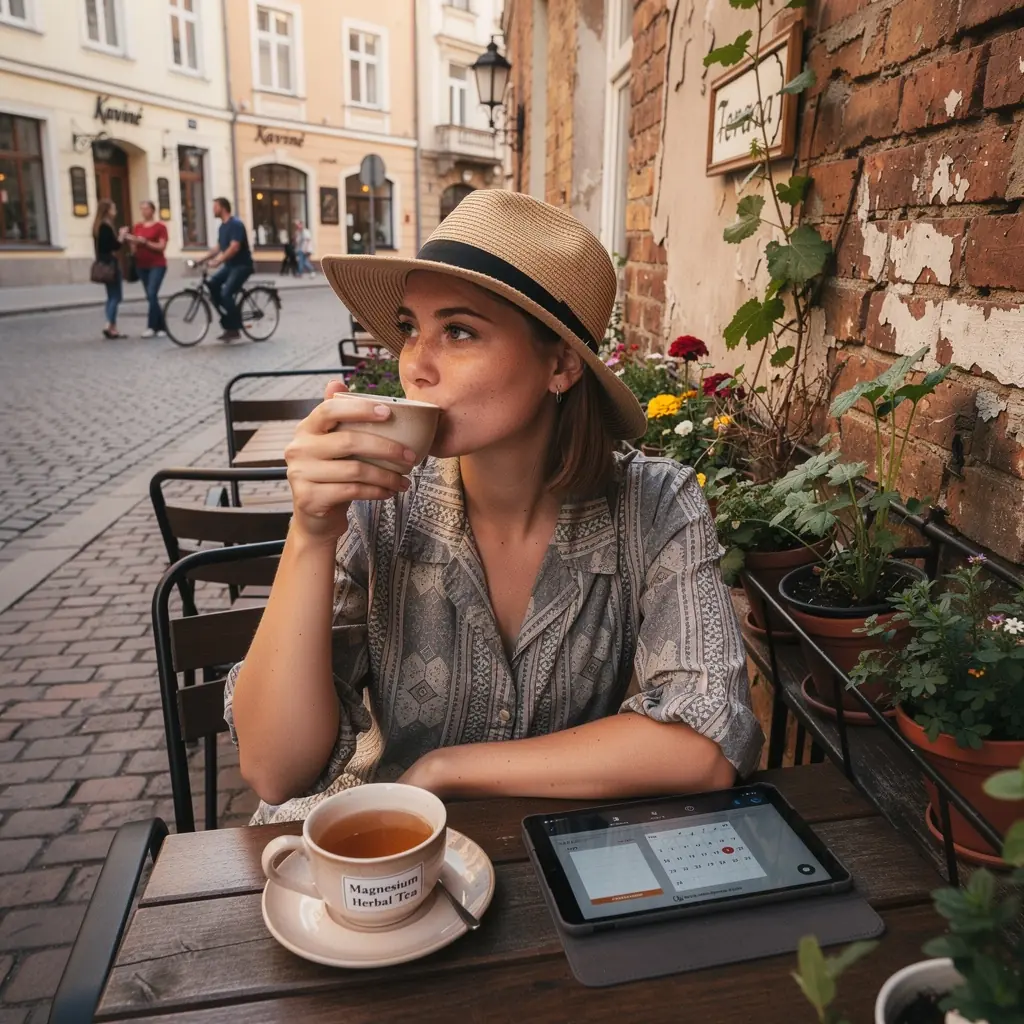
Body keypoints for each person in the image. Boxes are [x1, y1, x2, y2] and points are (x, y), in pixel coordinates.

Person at [225, 190, 763, 825]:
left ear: (561, 364)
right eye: (408, 329)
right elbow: (273, 771)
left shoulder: (653, 506)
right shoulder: (381, 504)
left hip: (547, 867)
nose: (415, 367)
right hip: (371, 855)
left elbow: (706, 744)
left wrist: (445, 770)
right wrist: (311, 533)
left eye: (458, 331)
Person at [199, 196, 254, 342]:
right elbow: (218, 248)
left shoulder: (235, 224)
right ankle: (229, 318)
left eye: (215, 207)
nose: (213, 210)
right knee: (212, 284)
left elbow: (234, 247)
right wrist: (201, 260)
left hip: (242, 265)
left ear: (223, 208)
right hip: (230, 266)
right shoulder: (222, 227)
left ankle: (234, 327)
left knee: (226, 293)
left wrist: (219, 261)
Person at [124, 200, 168, 337]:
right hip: (141, 264)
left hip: (157, 264)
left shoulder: (160, 227)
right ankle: (162, 327)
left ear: (152, 210)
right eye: (141, 209)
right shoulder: (137, 227)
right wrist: (131, 242)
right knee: (151, 296)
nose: (143, 212)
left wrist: (146, 242)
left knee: (152, 293)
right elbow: (134, 246)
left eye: (146, 209)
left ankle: (151, 326)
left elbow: (161, 246)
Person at [93, 199, 125, 339]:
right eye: (113, 209)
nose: (115, 212)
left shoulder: (97, 226)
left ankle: (113, 328)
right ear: (107, 211)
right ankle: (109, 324)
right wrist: (122, 236)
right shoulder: (105, 227)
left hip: (102, 263)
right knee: (116, 296)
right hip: (110, 264)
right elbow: (115, 246)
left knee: (111, 296)